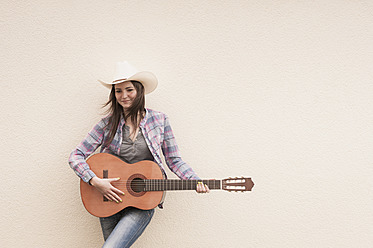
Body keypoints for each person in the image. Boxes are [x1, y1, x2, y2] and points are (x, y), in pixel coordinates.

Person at [68, 61, 209, 248]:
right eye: (118, 91)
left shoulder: (159, 120)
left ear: (139, 91)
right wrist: (95, 181)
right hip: (107, 200)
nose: (124, 96)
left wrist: (194, 179)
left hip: (143, 200)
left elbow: (173, 159)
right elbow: (75, 156)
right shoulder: (106, 124)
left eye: (129, 90)